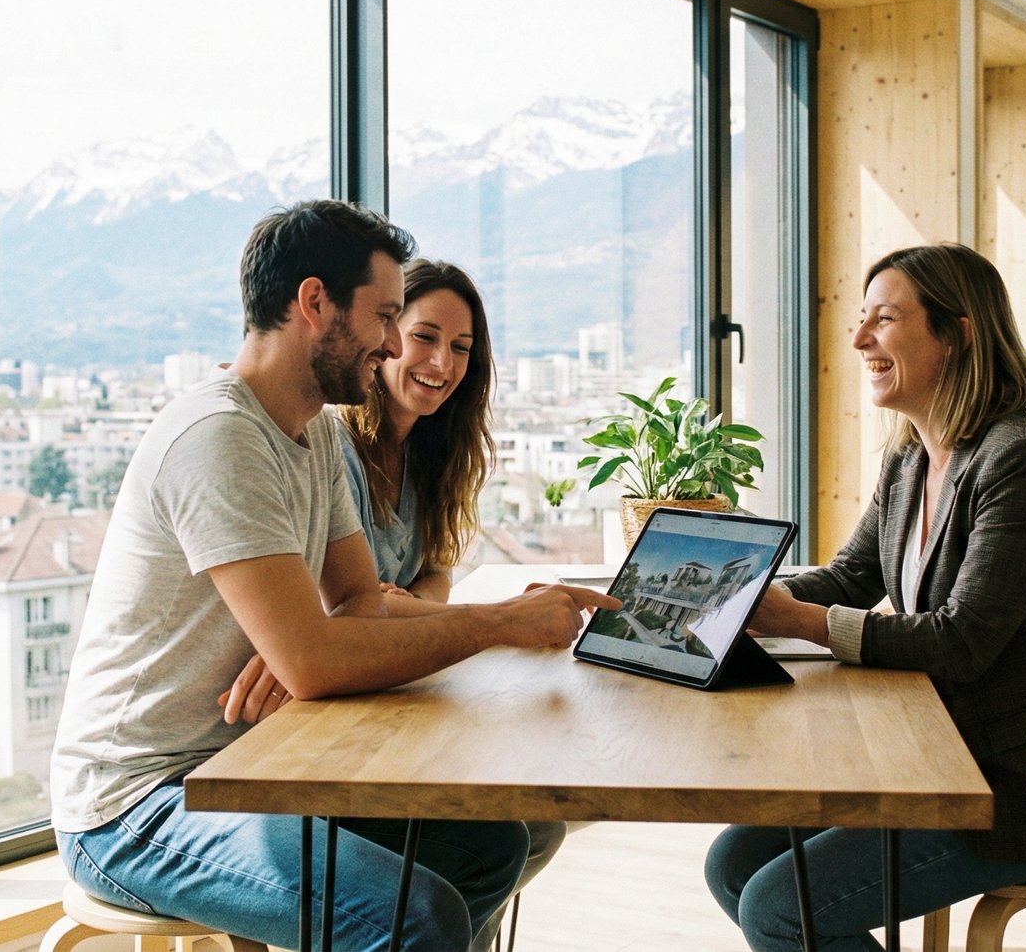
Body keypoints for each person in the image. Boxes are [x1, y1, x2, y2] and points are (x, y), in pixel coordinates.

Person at [50, 200, 618, 952]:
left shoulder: (311, 430)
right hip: (138, 804)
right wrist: (497, 623)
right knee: (416, 916)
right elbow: (315, 661)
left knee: (493, 848)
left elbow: (359, 601)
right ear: (314, 303)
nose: (389, 343)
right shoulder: (219, 436)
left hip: (254, 768)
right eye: (385, 316)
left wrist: (319, 643)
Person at [705, 242, 1026, 952]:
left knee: (779, 907)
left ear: (958, 334)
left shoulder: (1018, 459)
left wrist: (795, 619)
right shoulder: (909, 457)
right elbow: (846, 578)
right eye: (861, 317)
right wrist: (733, 594)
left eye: (885, 318)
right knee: (734, 864)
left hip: (1025, 795)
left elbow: (961, 640)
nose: (860, 337)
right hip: (935, 767)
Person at [336, 259, 569, 949]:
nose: (441, 361)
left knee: (537, 825)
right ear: (384, 337)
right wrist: (478, 621)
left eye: (461, 347)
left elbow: (432, 571)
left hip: (396, 693)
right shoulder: (338, 447)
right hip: (342, 714)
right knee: (497, 834)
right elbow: (352, 609)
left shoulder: (432, 451)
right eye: (424, 336)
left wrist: (407, 602)